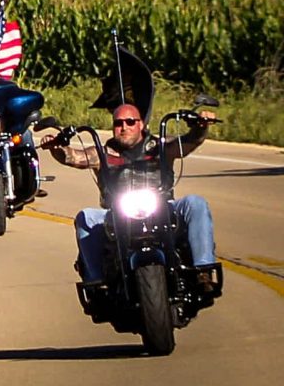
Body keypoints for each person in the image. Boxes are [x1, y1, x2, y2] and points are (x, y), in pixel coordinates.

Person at [40, 103, 219, 293]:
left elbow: (190, 141)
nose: (124, 127)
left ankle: (203, 269)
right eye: (118, 123)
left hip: (163, 208)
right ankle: (96, 283)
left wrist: (201, 126)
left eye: (130, 122)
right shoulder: (103, 153)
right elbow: (74, 157)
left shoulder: (161, 147)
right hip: (118, 214)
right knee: (85, 217)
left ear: (141, 124)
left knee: (195, 202)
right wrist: (57, 147)